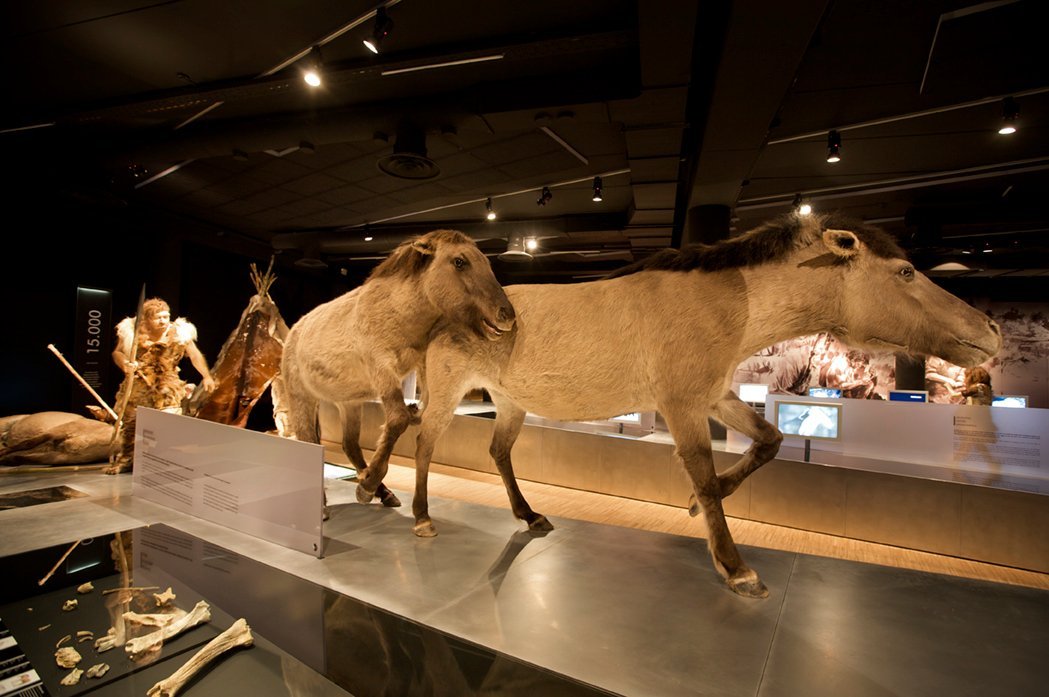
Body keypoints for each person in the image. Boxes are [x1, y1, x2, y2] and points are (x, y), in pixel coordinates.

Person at [106, 298, 215, 473]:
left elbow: (194, 355)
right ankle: (127, 459)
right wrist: (126, 363)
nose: (164, 321)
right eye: (159, 317)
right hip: (139, 384)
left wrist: (207, 376)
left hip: (168, 385)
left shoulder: (179, 332)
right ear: (147, 319)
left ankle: (162, 461)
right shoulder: (132, 330)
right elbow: (117, 352)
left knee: (167, 424)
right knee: (132, 423)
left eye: (166, 316)